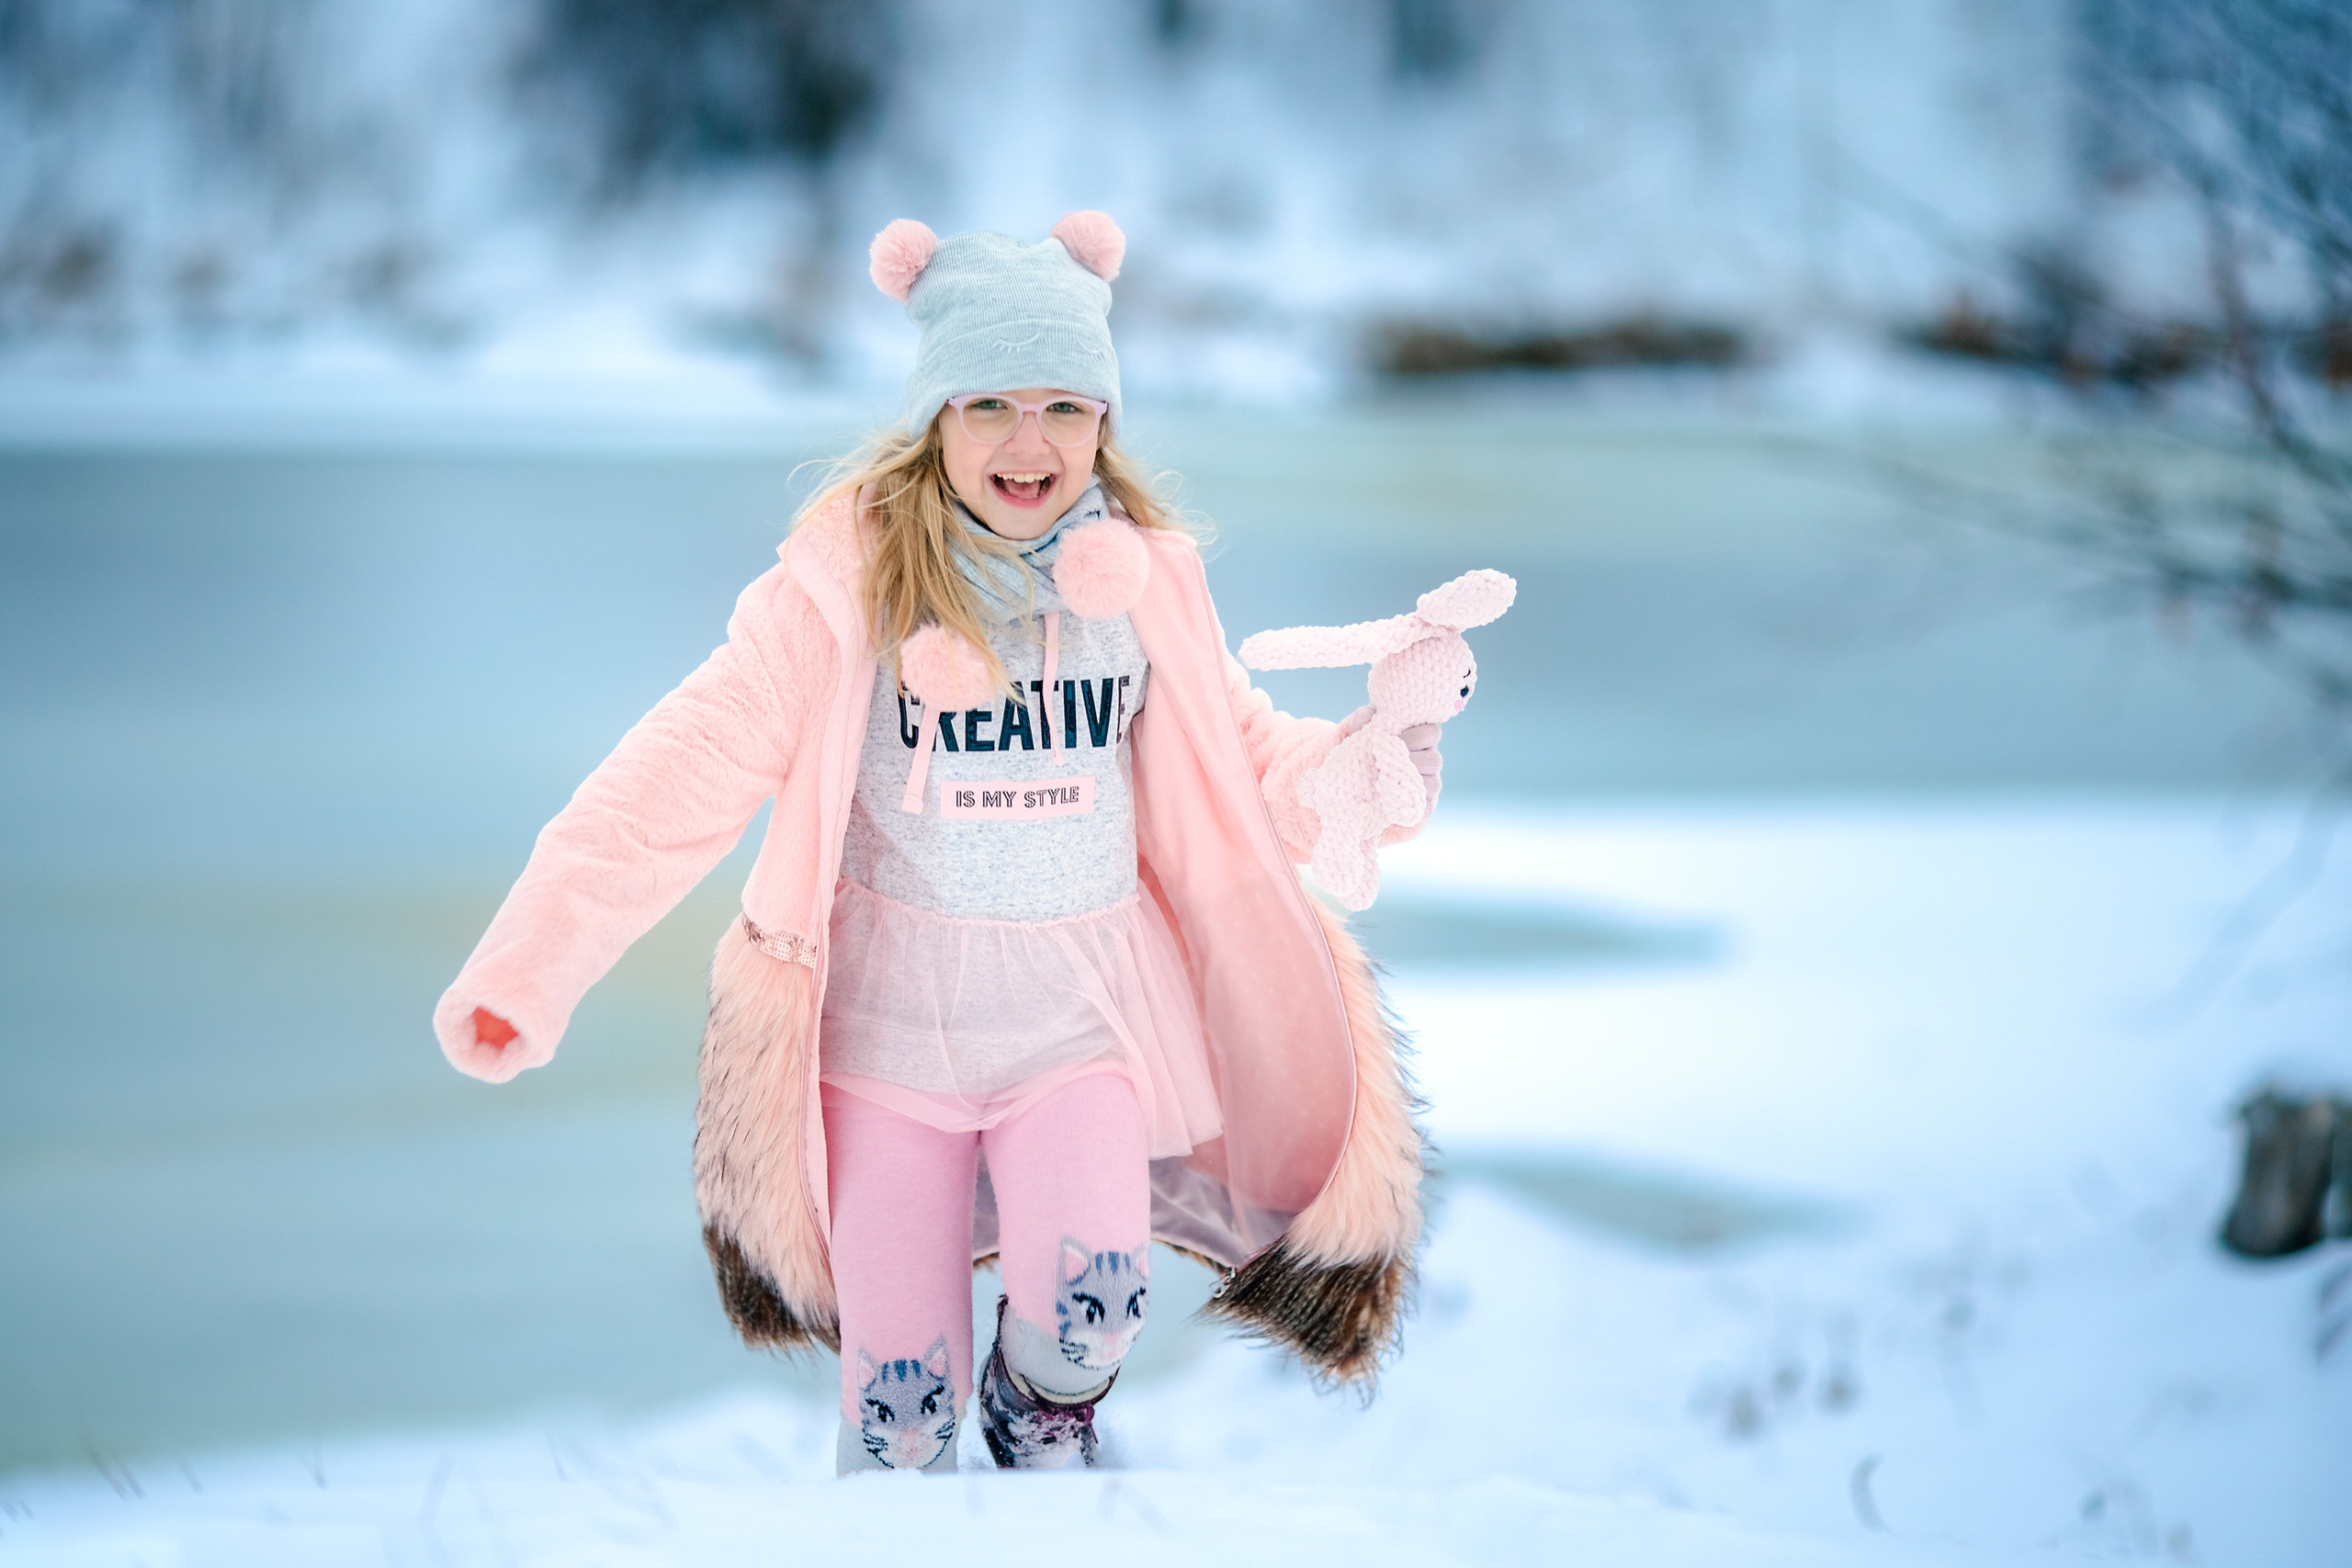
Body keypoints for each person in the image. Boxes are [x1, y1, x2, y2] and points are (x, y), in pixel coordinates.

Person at [434, 212, 1435, 1473]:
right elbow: (677, 773)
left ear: (1103, 424)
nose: (1030, 442)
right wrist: (529, 970)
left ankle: (1039, 1422)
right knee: (899, 1416)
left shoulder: (1141, 589)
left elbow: (1247, 764)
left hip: (1077, 1033)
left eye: (1064, 407)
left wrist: (1361, 769)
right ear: (937, 420)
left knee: (1095, 1304)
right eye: (991, 405)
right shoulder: (840, 594)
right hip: (884, 1053)